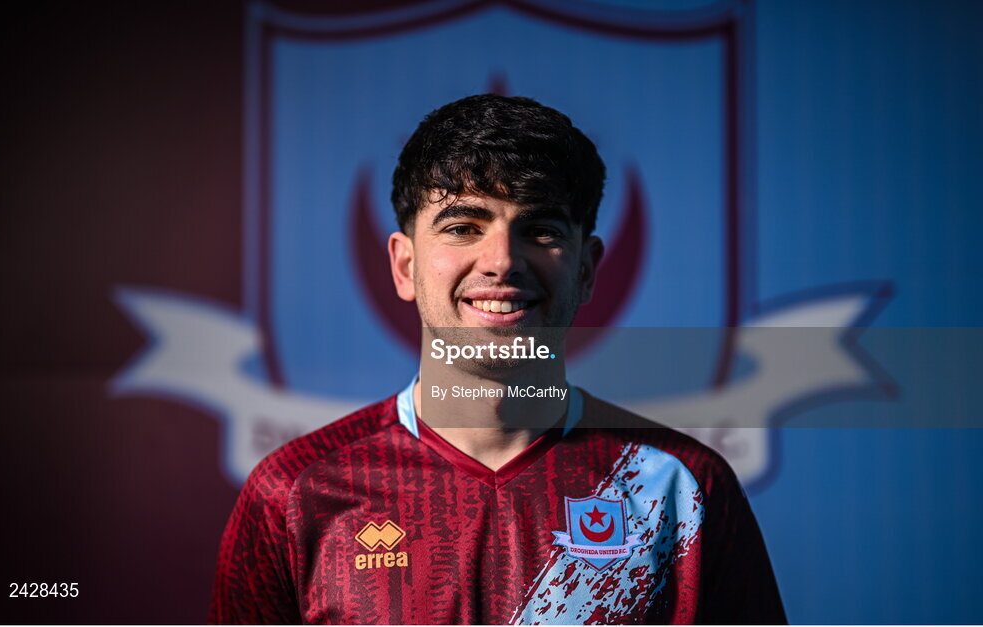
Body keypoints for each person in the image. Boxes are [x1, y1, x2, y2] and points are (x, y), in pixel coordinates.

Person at [209, 94, 786, 624]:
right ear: (405, 265)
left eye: (539, 230)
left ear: (585, 269)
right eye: (463, 226)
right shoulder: (295, 491)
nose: (502, 261)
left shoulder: (682, 488)